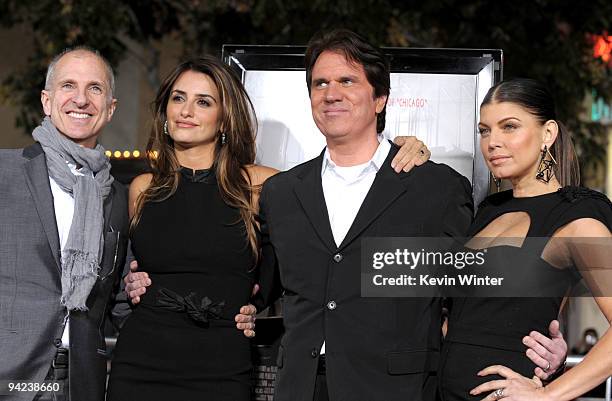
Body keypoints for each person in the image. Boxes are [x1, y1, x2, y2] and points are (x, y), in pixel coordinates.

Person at [125, 31, 567, 401]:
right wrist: (238, 302)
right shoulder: (282, 192)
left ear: (380, 99)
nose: (330, 94)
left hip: (395, 389)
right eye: (319, 84)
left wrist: (544, 341)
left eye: (347, 81)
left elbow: (471, 288)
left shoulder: (436, 187)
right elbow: (260, 276)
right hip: (299, 386)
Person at [107, 55, 427, 401]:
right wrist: (130, 283)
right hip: (140, 360)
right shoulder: (143, 188)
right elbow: (123, 273)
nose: (187, 111)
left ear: (224, 117)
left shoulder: (261, 186)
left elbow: (315, 258)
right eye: (178, 98)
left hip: (220, 366)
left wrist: (406, 147)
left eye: (204, 102)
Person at [439, 78, 612, 401]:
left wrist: (549, 395)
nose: (492, 142)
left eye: (509, 127)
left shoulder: (577, 216)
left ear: (548, 133)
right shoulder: (488, 209)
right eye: (485, 130)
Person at [0, 47, 129, 401]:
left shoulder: (118, 197)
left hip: (80, 381)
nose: (81, 99)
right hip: (9, 376)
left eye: (95, 89)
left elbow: (118, 298)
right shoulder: (5, 172)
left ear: (110, 108)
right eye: (68, 85)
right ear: (47, 100)